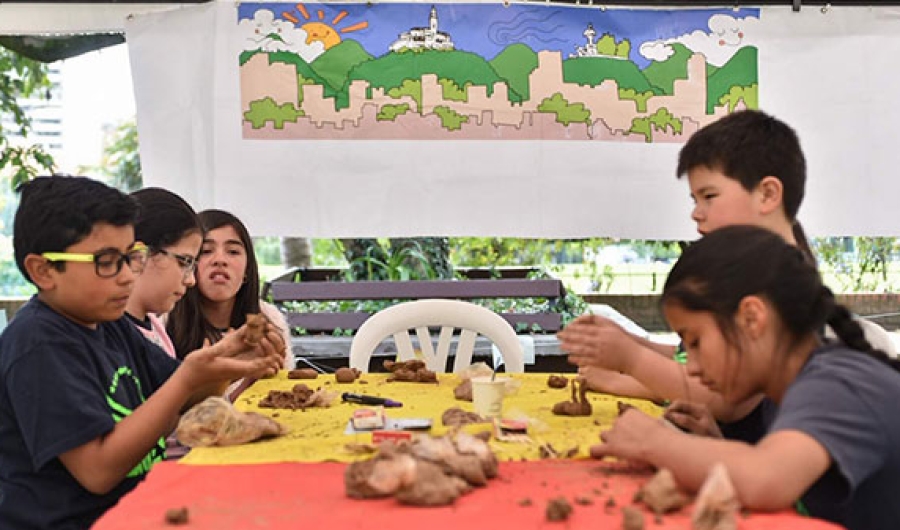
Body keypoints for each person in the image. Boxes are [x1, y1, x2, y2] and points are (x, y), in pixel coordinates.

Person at [559, 109, 897, 438]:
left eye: (709, 196)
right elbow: (694, 363)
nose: (696, 213)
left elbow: (727, 400)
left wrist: (630, 360)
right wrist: (627, 342)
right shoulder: (745, 271)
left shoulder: (776, 287)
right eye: (694, 199)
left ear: (767, 194)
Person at [0, 176, 286, 529]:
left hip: (139, 508)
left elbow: (182, 399)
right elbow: (98, 471)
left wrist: (228, 363)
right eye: (106, 261)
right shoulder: (39, 345)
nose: (125, 276)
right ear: (43, 270)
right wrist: (189, 378)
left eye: (129, 258)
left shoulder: (110, 323)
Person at [591, 225, 900, 530]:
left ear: (752, 318)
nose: (693, 367)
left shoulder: (835, 386)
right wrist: (716, 445)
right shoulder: (789, 391)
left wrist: (654, 442)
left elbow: (767, 479)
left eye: (695, 342)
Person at [167, 209, 293, 398]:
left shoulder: (266, 317)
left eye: (233, 251)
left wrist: (254, 377)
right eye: (206, 251)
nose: (219, 260)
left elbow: (280, 396)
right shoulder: (165, 318)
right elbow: (177, 417)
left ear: (247, 271)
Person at [125, 188, 203, 358]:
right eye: (184, 262)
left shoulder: (155, 326)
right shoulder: (115, 337)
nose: (191, 280)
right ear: (140, 254)